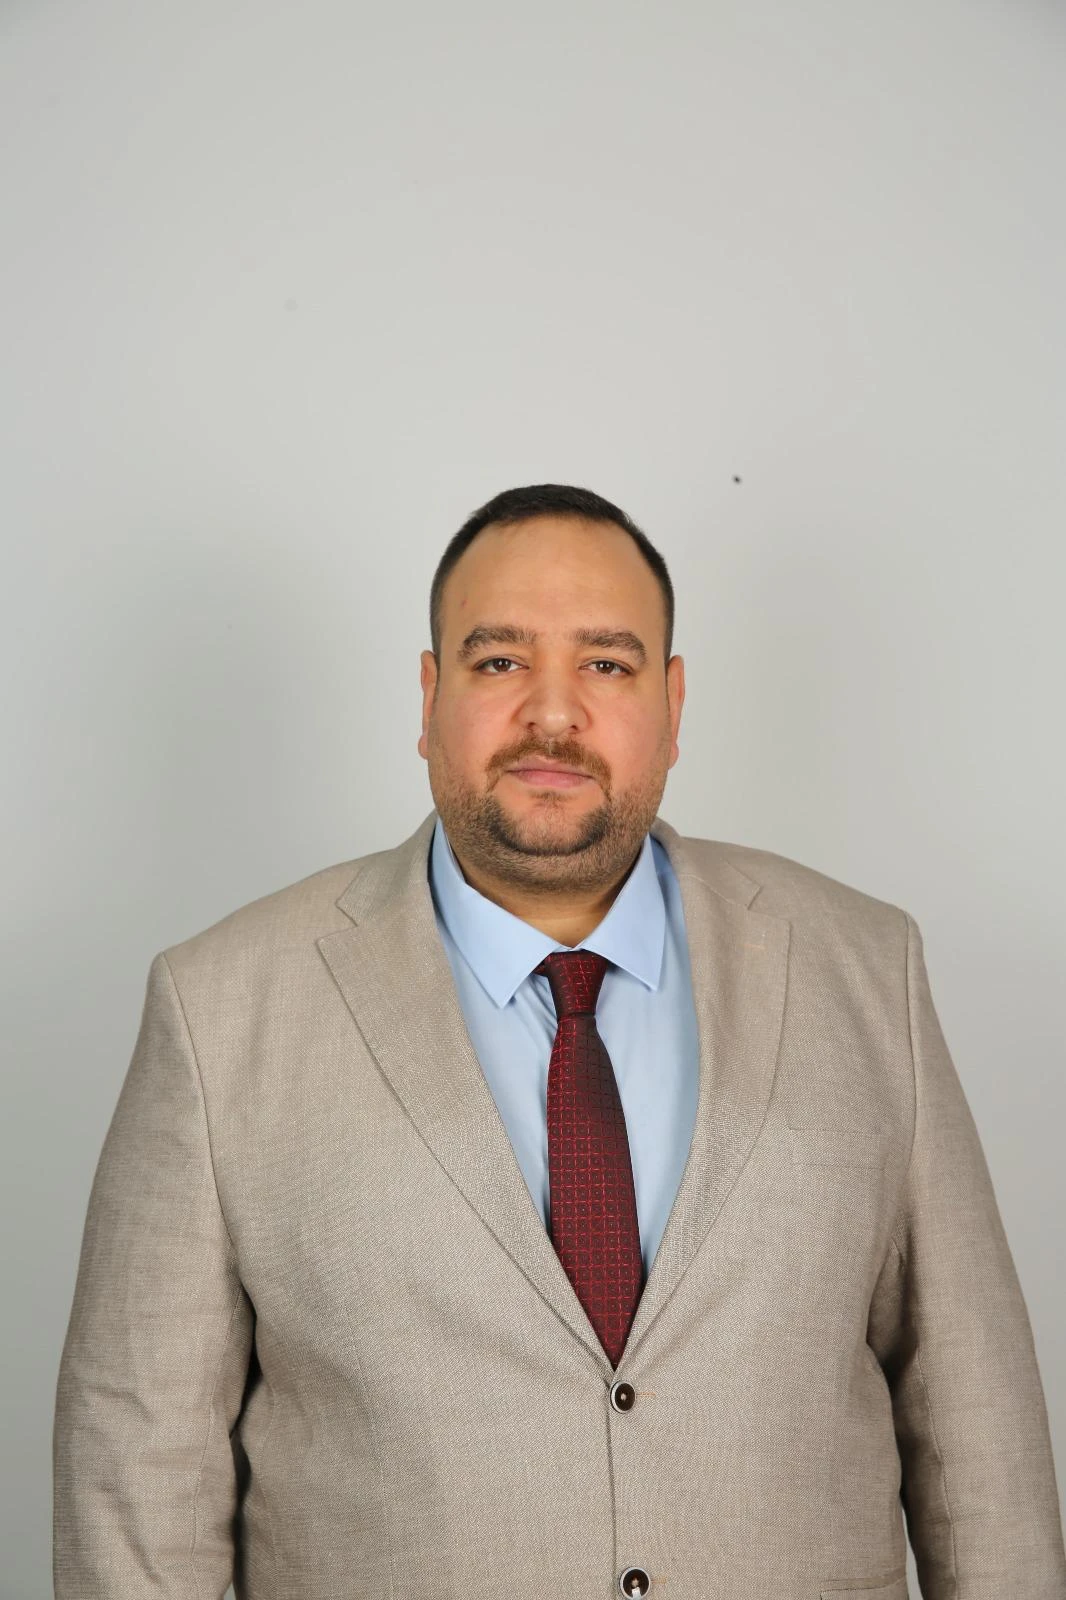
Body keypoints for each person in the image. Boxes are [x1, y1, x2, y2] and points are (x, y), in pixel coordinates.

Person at [54, 484, 1066, 1599]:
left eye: (606, 664)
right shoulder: (218, 1009)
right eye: (498, 661)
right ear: (429, 698)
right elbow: (136, 1483)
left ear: (672, 705)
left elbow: (980, 1440)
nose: (551, 713)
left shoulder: (867, 969)